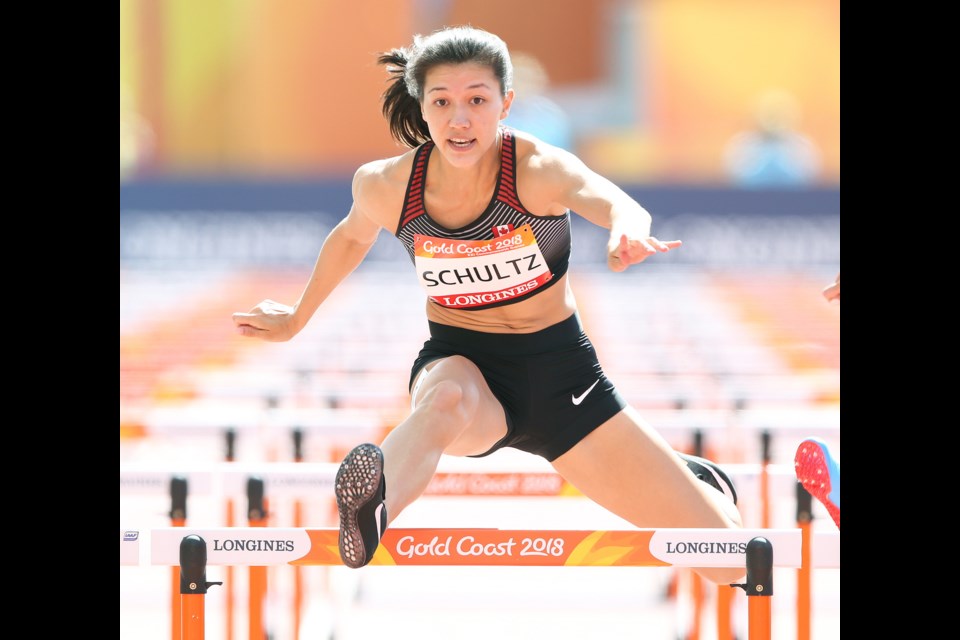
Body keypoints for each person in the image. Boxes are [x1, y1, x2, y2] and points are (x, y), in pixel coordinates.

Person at [232, 26, 744, 585]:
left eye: (477, 100)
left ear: (506, 103)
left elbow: (617, 202)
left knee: (728, 561)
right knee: (443, 396)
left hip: (564, 383)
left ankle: (700, 486)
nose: (460, 120)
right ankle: (372, 512)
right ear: (421, 107)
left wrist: (628, 231)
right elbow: (351, 237)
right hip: (465, 365)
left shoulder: (538, 170)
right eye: (442, 102)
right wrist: (296, 318)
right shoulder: (386, 185)